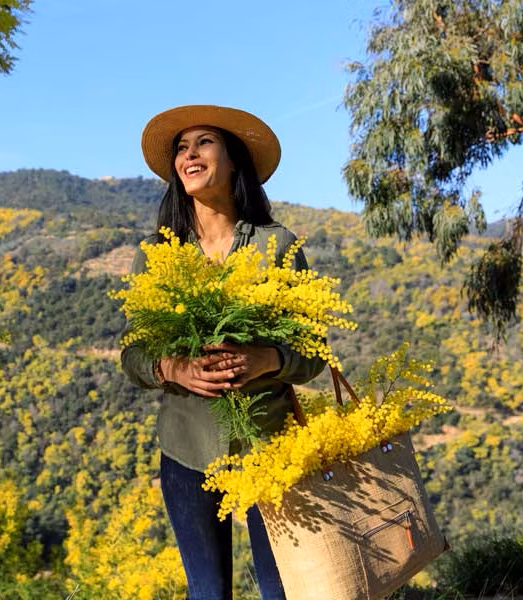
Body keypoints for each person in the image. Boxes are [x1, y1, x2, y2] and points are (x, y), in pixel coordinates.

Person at [121, 105, 326, 600]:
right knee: (208, 594)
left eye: (204, 142)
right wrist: (174, 368)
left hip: (269, 445)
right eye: (182, 148)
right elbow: (133, 355)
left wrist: (267, 360)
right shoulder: (155, 256)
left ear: (234, 161)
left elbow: (313, 350)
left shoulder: (278, 246)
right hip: (185, 446)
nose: (190, 154)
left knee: (282, 590)